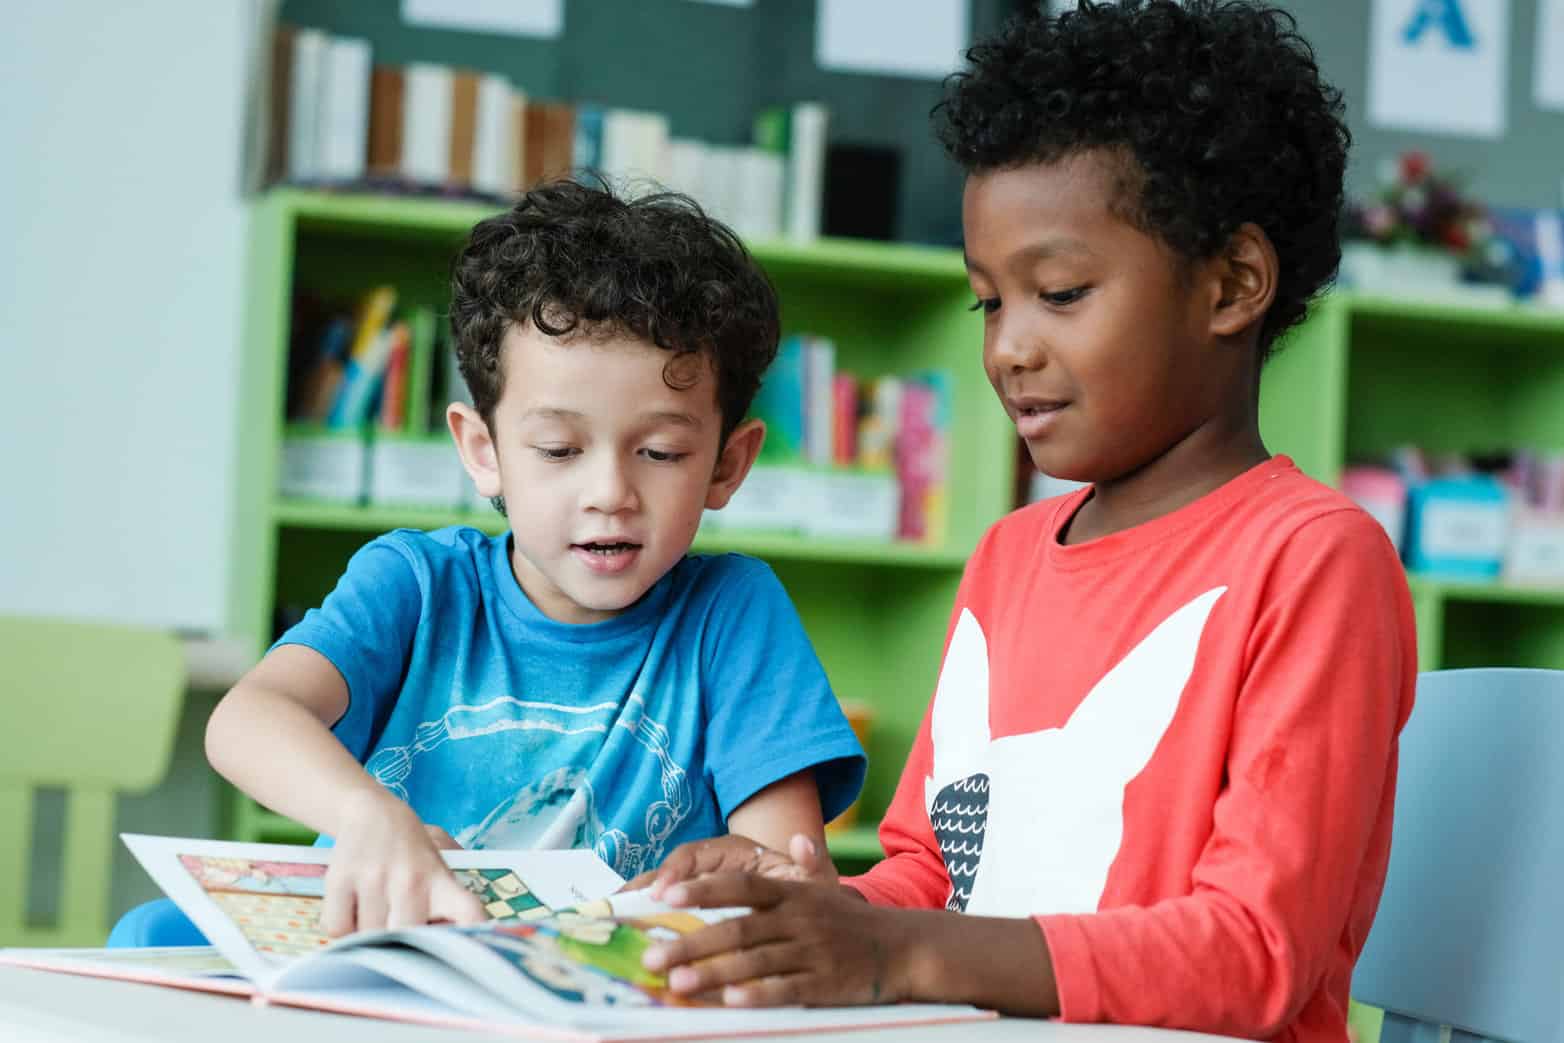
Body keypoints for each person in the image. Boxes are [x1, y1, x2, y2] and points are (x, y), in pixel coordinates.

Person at [634, 4, 1416, 1041]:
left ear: (1232, 284)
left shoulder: (1313, 559)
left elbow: (1254, 953)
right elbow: (930, 870)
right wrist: (806, 914)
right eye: (988, 302)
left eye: (1058, 291)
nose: (1007, 347)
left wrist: (897, 952)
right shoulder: (1008, 555)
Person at [192, 180, 866, 938]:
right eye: (558, 449)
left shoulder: (733, 614)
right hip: (394, 968)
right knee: (156, 936)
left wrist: (758, 873)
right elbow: (246, 720)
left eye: (661, 451)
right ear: (484, 452)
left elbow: (782, 867)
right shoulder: (416, 585)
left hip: (601, 996)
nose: (610, 492)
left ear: (726, 464)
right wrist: (367, 816)